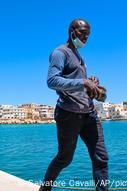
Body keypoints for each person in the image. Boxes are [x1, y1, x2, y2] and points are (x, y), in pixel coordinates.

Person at [39, 19, 109, 191]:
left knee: (101, 158)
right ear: (71, 31)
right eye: (82, 33)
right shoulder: (59, 53)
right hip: (68, 114)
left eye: (88, 35)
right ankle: (46, 188)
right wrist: (83, 82)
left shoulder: (80, 56)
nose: (85, 37)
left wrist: (91, 81)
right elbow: (52, 80)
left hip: (89, 113)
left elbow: (78, 81)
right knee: (65, 158)